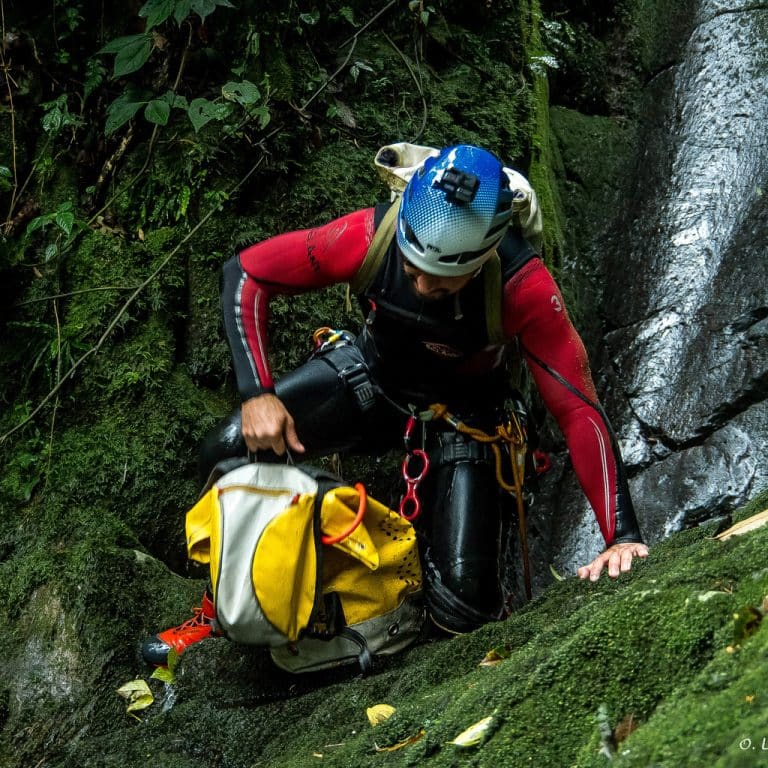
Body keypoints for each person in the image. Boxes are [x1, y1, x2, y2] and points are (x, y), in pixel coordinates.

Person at [142, 144, 648, 666]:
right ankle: (224, 609)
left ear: (482, 260)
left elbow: (577, 407)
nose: (424, 284)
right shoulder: (371, 237)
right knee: (228, 451)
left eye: (442, 277)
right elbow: (247, 275)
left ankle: (385, 595)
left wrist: (621, 536)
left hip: (466, 421)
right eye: (413, 270)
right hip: (372, 381)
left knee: (462, 611)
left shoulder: (523, 288)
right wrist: (258, 394)